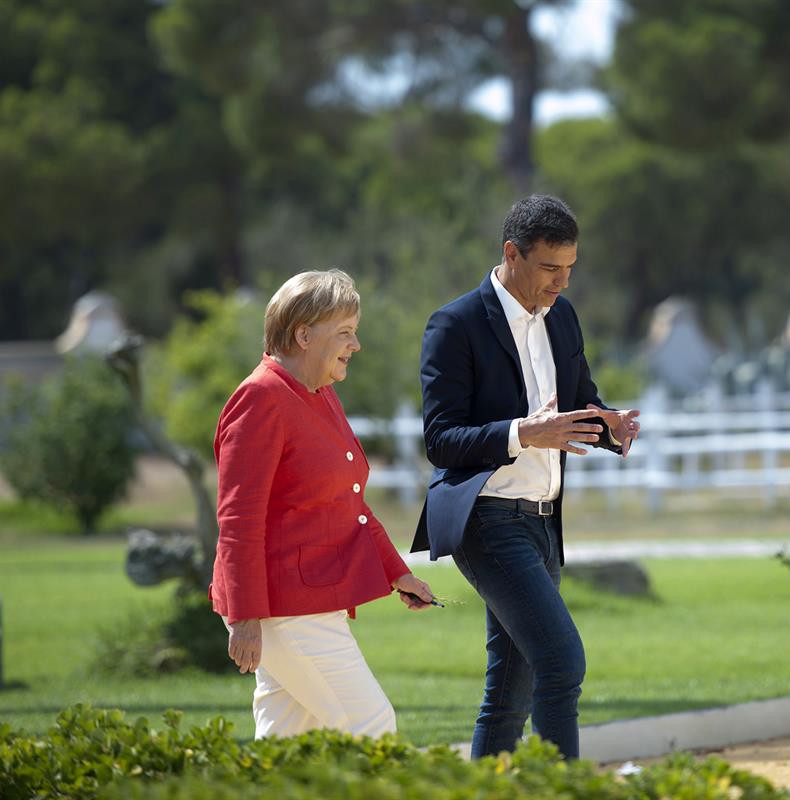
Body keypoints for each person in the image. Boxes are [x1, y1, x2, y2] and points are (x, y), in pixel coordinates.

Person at [412, 195, 641, 760]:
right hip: (486, 519)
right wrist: (523, 433)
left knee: (510, 692)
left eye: (569, 269)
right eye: (549, 268)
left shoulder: (561, 316)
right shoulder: (454, 324)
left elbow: (578, 402)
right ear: (511, 253)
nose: (561, 283)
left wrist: (608, 425)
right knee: (561, 662)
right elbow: (440, 441)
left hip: (544, 525)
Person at [209, 268, 435, 740]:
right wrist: (245, 618)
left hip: (310, 602)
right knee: (372, 727)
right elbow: (238, 520)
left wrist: (398, 572)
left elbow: (349, 501)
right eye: (345, 333)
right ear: (303, 334)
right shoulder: (260, 398)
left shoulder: (319, 393)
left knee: (289, 749)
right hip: (286, 609)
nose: (355, 346)